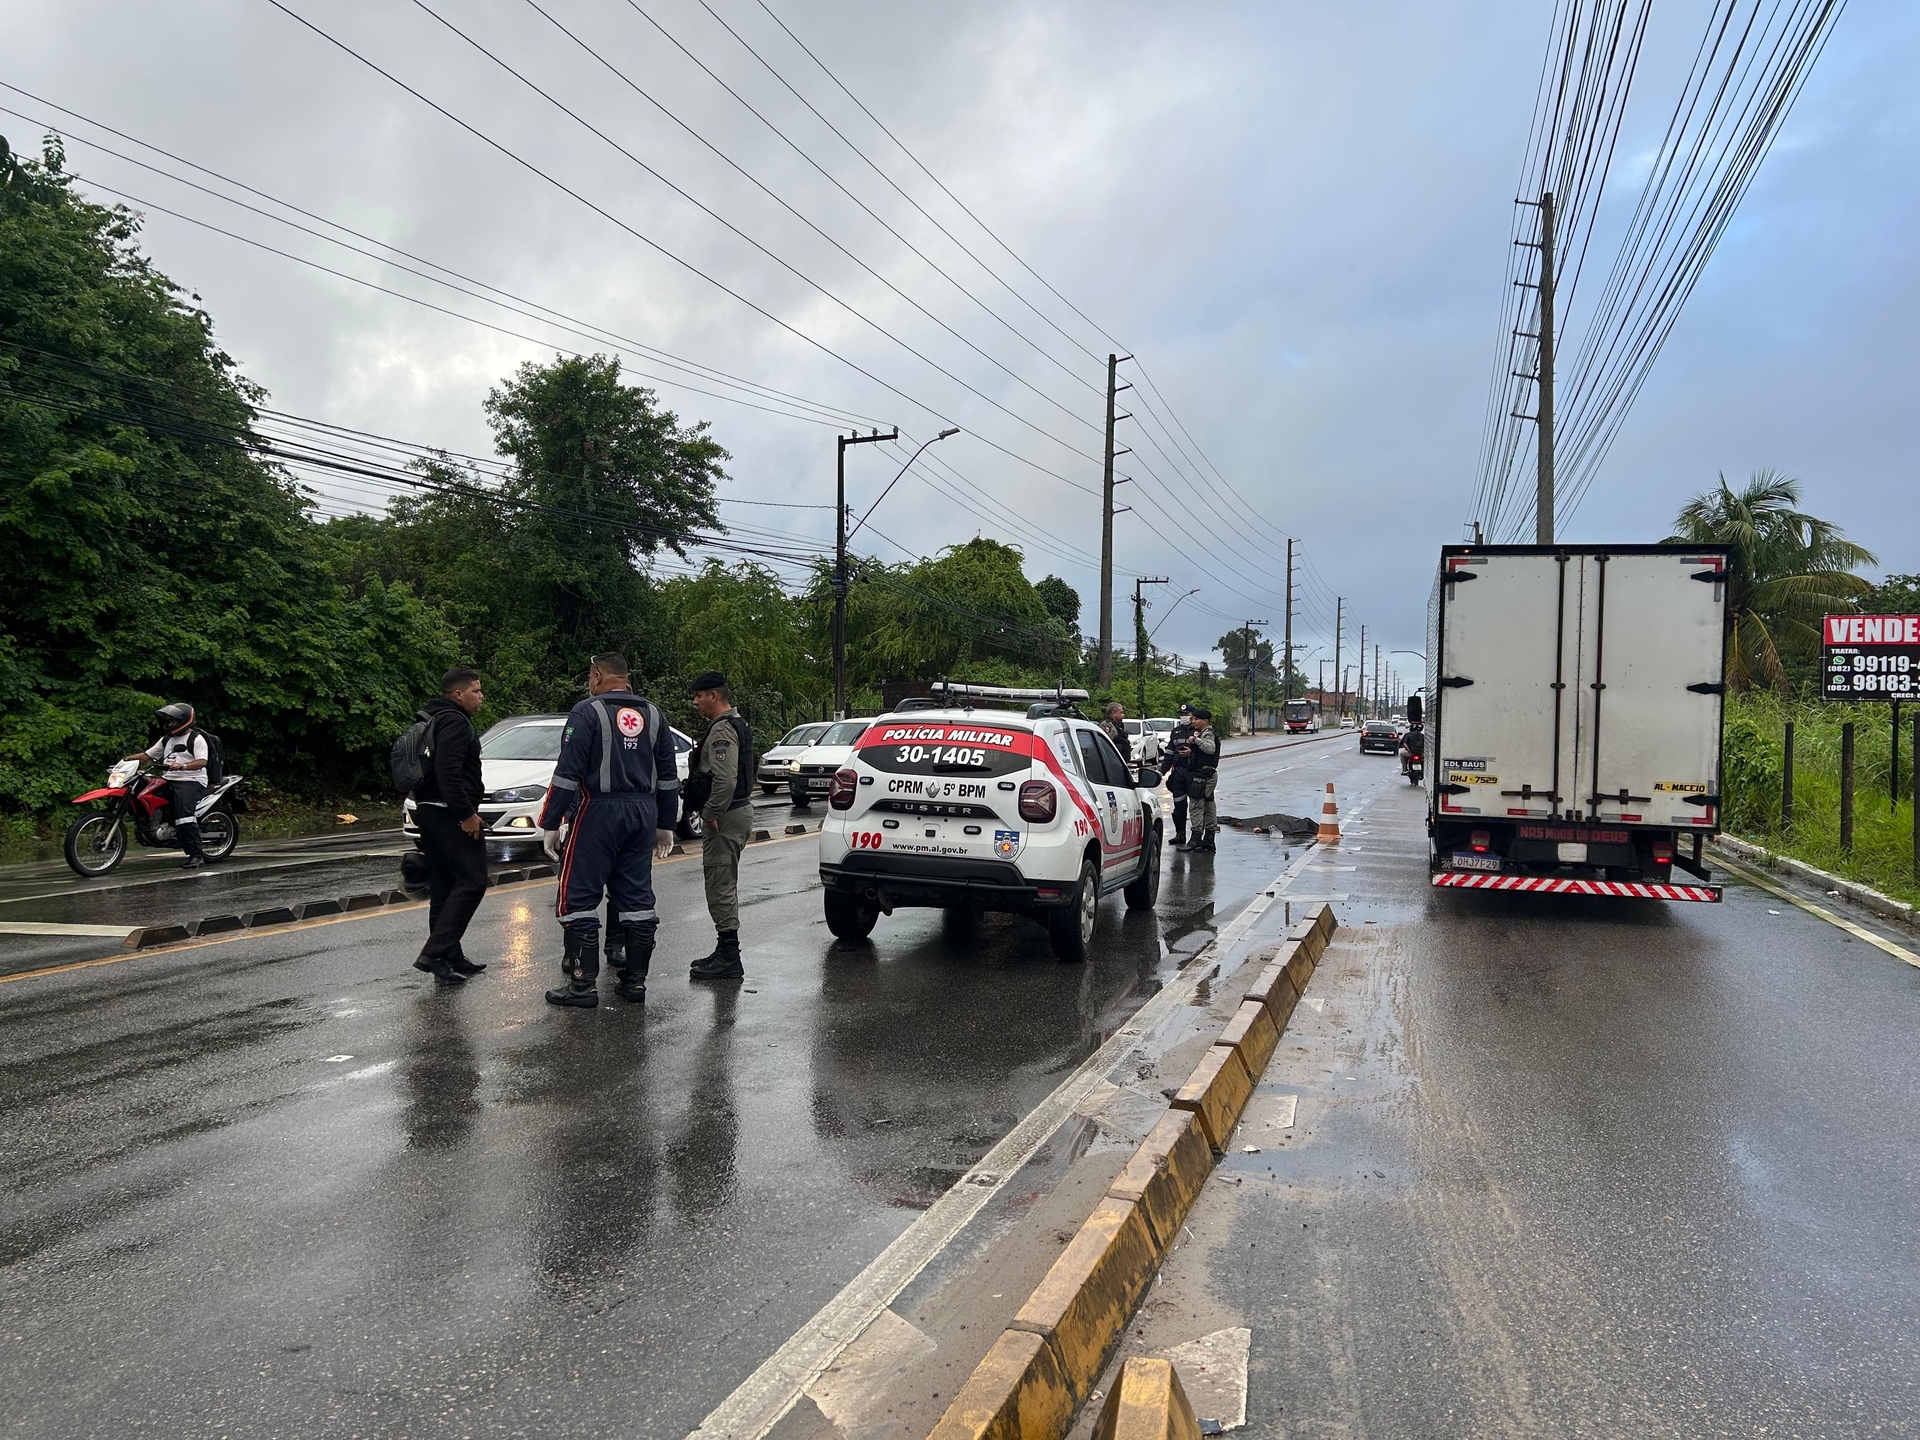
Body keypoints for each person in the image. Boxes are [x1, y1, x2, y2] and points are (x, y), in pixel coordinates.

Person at [538, 653, 679, 1009]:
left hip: (597, 811)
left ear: (596, 675)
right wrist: (665, 824)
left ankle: (582, 986)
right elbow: (668, 776)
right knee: (635, 897)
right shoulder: (654, 714)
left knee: (578, 894)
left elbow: (566, 774)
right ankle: (634, 983)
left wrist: (552, 822)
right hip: (643, 814)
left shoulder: (586, 712)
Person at [408, 668, 489, 984]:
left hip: (429, 811)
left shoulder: (435, 717)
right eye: (476, 691)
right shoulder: (455, 721)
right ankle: (434, 952)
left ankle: (449, 956)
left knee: (443, 885)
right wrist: (466, 813)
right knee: (473, 880)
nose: (480, 697)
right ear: (459, 694)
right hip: (449, 813)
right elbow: (448, 771)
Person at [686, 671, 753, 982]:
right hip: (733, 813)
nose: (695, 702)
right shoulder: (729, 725)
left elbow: (725, 779)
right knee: (722, 881)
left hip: (725, 817)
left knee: (720, 883)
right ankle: (725, 949)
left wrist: (711, 812)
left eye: (699, 696)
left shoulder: (723, 731)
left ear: (713, 695)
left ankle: (729, 956)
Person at [127, 703, 210, 869]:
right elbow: (148, 755)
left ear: (184, 720)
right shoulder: (167, 739)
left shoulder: (196, 738)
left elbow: (202, 762)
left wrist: (183, 766)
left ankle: (196, 855)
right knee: (142, 793)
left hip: (191, 779)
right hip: (169, 778)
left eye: (173, 721)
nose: (170, 724)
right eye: (168, 721)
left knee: (184, 816)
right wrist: (126, 760)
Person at [1178, 705, 1220, 852]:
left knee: (1196, 805)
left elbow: (1210, 749)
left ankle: (1195, 839)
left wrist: (1196, 740)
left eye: (1196, 719)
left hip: (1204, 775)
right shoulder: (1204, 732)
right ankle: (1209, 839)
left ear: (1205, 720)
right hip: (1206, 773)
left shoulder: (1207, 733)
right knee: (1208, 805)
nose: (1193, 721)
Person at [1164, 703, 1196, 847]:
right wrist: (1161, 771)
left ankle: (1197, 837)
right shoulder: (1176, 732)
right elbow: (1169, 753)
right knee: (1179, 805)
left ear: (1193, 716)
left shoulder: (1199, 731)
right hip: (1178, 772)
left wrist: (1191, 753)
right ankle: (1180, 834)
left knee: (1196, 806)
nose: (1184, 717)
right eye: (1182, 715)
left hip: (1193, 772)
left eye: (1187, 715)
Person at [1101, 700, 1133, 769]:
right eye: (1121, 712)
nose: (1123, 715)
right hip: (1112, 765)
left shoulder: (1117, 726)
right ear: (1113, 713)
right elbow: (1105, 746)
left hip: (1119, 763)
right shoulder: (1108, 726)